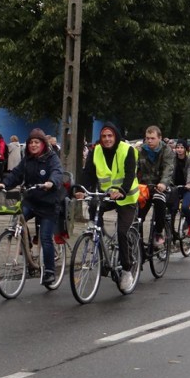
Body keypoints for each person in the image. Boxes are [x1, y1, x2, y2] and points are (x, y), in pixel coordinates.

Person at [0, 128, 63, 285]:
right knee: (17, 220)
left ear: (43, 144)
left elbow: (57, 172)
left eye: (36, 142)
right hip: (31, 201)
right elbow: (16, 175)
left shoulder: (51, 158)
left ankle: (49, 272)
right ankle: (25, 248)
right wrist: (3, 184)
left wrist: (51, 182)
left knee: (46, 237)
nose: (33, 145)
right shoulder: (27, 160)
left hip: (48, 204)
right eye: (31, 142)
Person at [79, 123, 139, 290]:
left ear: (116, 136)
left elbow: (130, 174)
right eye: (104, 136)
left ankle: (127, 270)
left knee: (122, 232)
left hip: (126, 197)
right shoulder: (95, 151)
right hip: (107, 195)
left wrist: (122, 190)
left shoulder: (127, 150)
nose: (106, 139)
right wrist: (80, 189)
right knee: (93, 204)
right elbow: (88, 173)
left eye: (110, 136)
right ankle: (97, 237)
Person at [137, 125, 175, 246]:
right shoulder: (140, 151)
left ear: (159, 138)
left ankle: (158, 231)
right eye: (147, 138)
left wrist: (163, 183)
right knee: (137, 215)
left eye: (152, 138)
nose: (149, 141)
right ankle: (137, 241)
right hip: (144, 187)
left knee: (159, 200)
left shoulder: (166, 150)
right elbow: (134, 168)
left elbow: (168, 168)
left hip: (160, 186)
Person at [171, 139, 190, 238]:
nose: (179, 150)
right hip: (175, 188)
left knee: (185, 207)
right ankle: (171, 231)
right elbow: (169, 171)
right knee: (172, 209)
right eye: (177, 147)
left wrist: (189, 183)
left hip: (188, 189)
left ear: (185, 149)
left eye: (182, 147)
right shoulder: (172, 159)